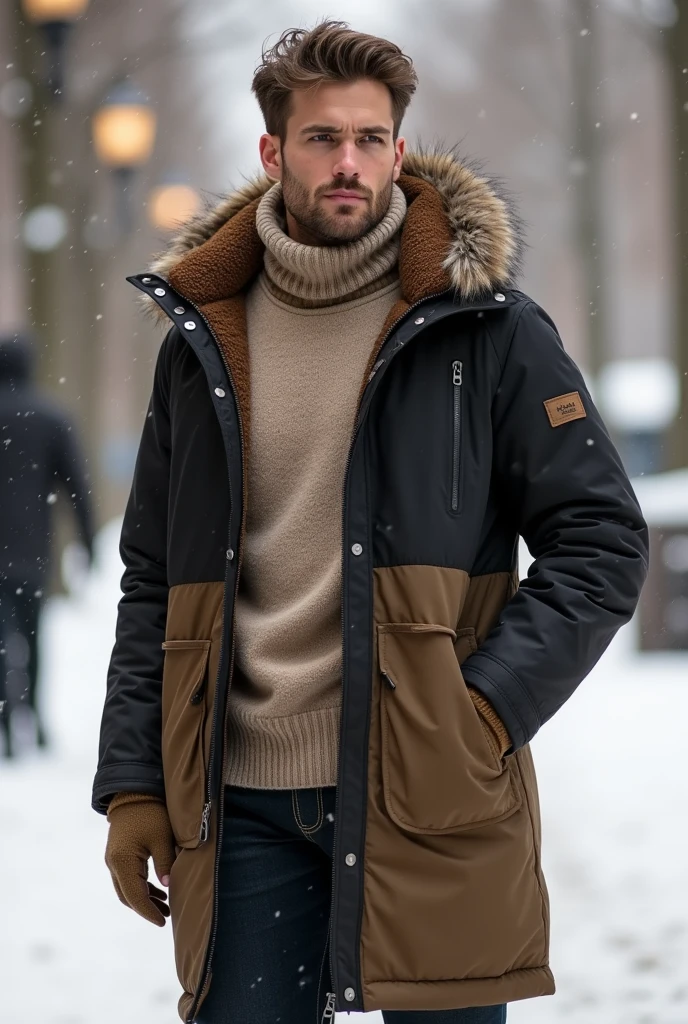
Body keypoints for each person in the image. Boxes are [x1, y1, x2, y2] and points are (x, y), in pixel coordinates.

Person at [92, 21, 648, 1024]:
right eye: (320, 139)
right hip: (242, 800)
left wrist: (477, 712)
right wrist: (134, 781)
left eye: (370, 138)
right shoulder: (202, 339)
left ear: (397, 146)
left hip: (430, 793)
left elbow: (600, 538)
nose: (348, 162)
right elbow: (152, 582)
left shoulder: (488, 326)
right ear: (272, 153)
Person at [0, 332, 94, 757]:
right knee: (34, 634)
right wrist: (87, 543)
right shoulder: (50, 418)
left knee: (3, 637)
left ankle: (6, 724)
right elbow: (78, 488)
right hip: (32, 551)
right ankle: (33, 716)